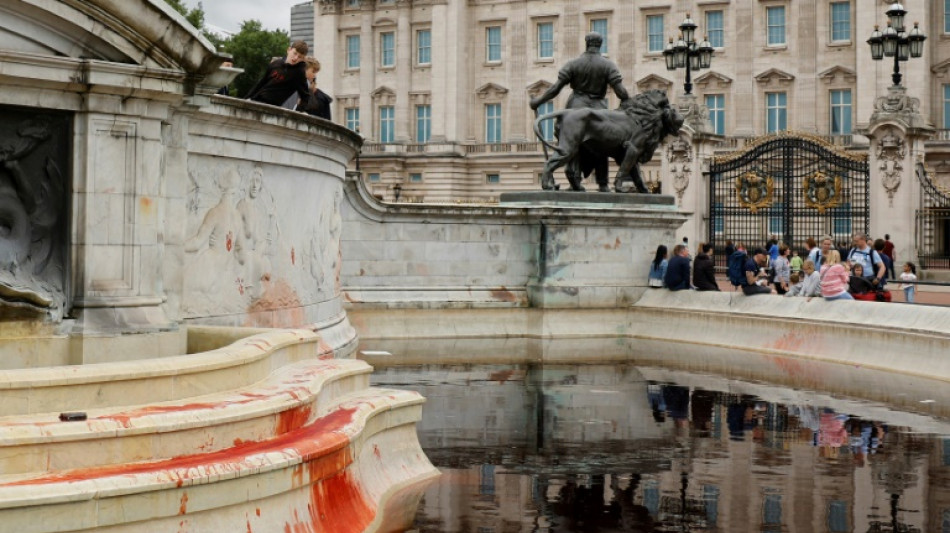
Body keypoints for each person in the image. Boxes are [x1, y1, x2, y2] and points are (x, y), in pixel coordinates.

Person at [529, 32, 630, 190]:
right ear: (600, 45)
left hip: (575, 106)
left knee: (571, 146)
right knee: (603, 144)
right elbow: (621, 93)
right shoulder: (608, 65)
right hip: (598, 108)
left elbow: (555, 89)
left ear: (586, 43)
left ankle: (574, 181)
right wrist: (628, 106)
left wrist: (538, 102)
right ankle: (603, 183)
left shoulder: (574, 64)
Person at [246, 41, 311, 108]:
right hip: (256, 99)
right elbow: (261, 83)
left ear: (303, 59)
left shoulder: (299, 73)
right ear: (289, 50)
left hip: (272, 106)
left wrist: (299, 112)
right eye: (295, 53)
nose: (295, 58)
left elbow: (305, 96)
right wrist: (247, 98)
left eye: (300, 57)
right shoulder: (276, 63)